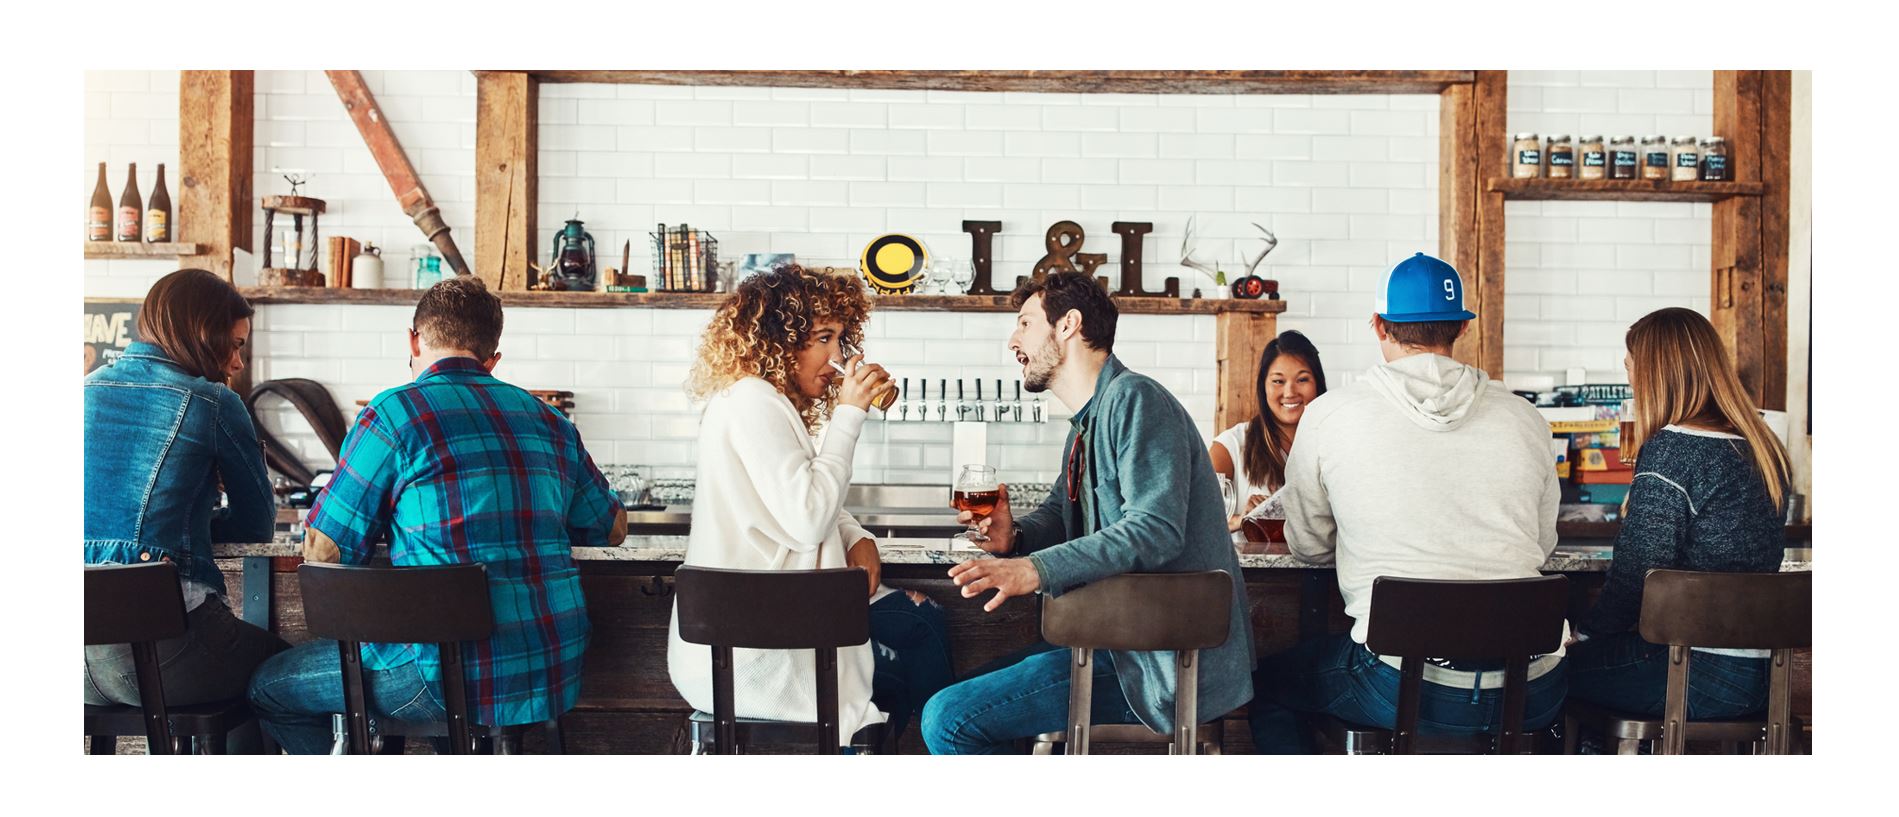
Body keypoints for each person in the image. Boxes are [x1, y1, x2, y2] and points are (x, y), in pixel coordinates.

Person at [248, 276, 626, 753]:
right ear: (493, 359)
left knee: (268, 689)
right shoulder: (550, 420)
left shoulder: (394, 413)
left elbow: (326, 549)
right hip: (550, 662)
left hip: (441, 674)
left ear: (413, 340)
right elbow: (611, 529)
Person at [919, 270, 1254, 755]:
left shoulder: (1136, 400)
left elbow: (1155, 531)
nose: (1014, 340)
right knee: (953, 698)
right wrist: (1014, 539)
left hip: (1160, 661)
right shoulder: (1087, 423)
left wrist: (1033, 568)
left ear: (1068, 325)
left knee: (948, 720)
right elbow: (1060, 512)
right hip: (1113, 642)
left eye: (1025, 323)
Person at [1248, 253, 1567, 753]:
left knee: (1267, 685)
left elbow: (1307, 546)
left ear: (1379, 325)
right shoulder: (1526, 418)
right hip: (1532, 687)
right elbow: (1543, 546)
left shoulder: (1331, 415)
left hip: (1400, 687)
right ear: (1460, 327)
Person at [667, 264, 953, 748]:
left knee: (902, 654)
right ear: (778, 339)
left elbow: (793, 493)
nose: (837, 357)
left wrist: (856, 535)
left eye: (840, 339)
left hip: (744, 642)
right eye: (823, 338)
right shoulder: (753, 402)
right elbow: (806, 516)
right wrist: (849, 414)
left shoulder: (755, 399)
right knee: (923, 625)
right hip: (761, 662)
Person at [85, 269, 286, 751]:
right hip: (164, 655)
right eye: (234, 345)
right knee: (283, 673)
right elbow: (257, 525)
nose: (237, 362)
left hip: (70, 668)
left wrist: (182, 515)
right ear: (204, 333)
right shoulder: (213, 402)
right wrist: (198, 519)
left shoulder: (80, 391)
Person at [1565, 307, 1792, 719]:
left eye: (1630, 368)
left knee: (1542, 675)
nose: (1629, 381)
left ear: (1654, 374)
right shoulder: (1764, 446)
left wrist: (1583, 634)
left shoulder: (1673, 450)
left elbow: (1638, 574)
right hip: (1765, 677)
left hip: (1690, 671)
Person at [1210, 330, 1328, 542]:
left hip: (1326, 571)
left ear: (1317, 384)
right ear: (1263, 386)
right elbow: (1198, 519)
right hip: (1253, 575)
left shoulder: (1334, 442)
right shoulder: (1230, 446)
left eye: (1302, 379)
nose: (1290, 392)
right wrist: (1241, 519)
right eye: (1278, 381)